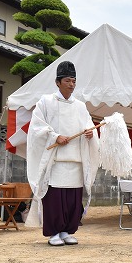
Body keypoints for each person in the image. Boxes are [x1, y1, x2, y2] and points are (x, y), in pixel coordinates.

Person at [26, 61, 100, 246]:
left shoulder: (81, 106)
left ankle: (67, 231)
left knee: (72, 199)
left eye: (74, 81)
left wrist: (90, 133)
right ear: (58, 82)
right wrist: (55, 136)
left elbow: (88, 126)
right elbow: (36, 127)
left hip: (75, 160)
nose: (72, 84)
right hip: (56, 160)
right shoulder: (46, 102)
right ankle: (53, 233)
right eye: (68, 80)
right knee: (55, 198)